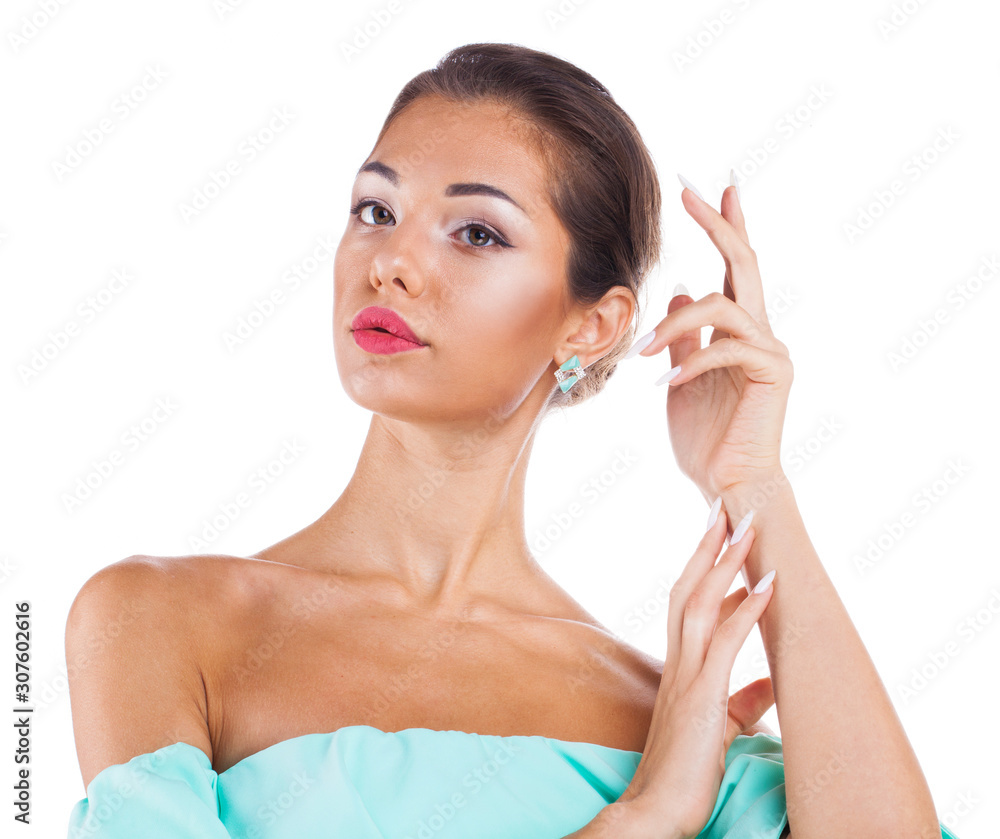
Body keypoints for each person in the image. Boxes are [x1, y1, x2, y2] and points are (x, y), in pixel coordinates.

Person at [65, 42, 958, 838]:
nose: (391, 262)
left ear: (591, 327)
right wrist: (645, 817)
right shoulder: (161, 621)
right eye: (375, 210)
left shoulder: (672, 714)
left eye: (477, 232)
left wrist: (753, 479)